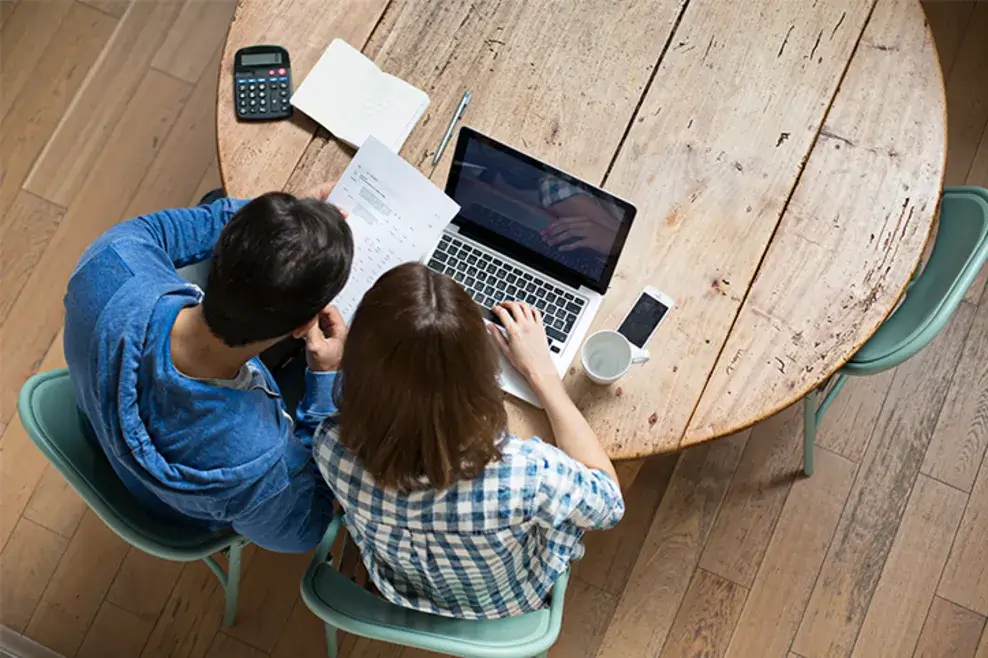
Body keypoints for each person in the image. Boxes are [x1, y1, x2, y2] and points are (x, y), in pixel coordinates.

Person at [312, 262, 625, 619]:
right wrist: (543, 374)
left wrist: (331, 372)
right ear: (481, 371)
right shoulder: (525, 475)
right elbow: (609, 504)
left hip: (396, 586)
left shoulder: (329, 444)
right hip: (508, 600)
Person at [63, 184, 352, 552]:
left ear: (222, 250)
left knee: (214, 197)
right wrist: (325, 385)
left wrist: (283, 232)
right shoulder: (258, 462)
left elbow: (193, 223)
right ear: (302, 328)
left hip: (110, 435)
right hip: (189, 508)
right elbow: (304, 533)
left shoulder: (110, 263)